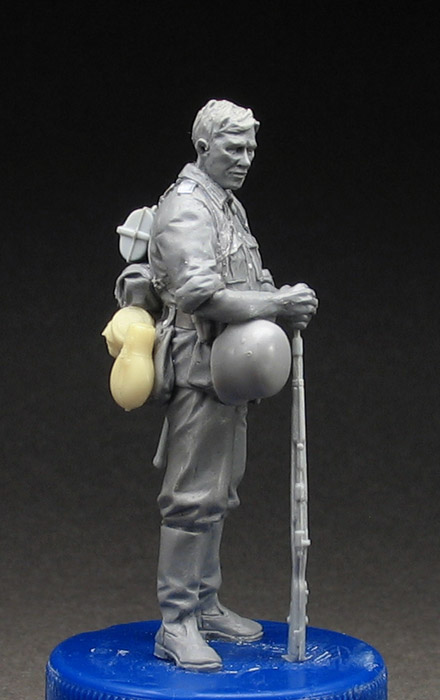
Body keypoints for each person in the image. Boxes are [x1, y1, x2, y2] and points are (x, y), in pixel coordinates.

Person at [121, 100, 318, 671]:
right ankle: (177, 620)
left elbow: (245, 277)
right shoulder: (187, 207)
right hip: (200, 367)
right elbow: (201, 294)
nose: (246, 158)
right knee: (191, 498)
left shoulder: (226, 204)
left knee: (220, 492)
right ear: (204, 148)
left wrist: (275, 296)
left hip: (228, 371)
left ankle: (204, 605)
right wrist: (277, 306)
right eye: (235, 148)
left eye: (252, 148)